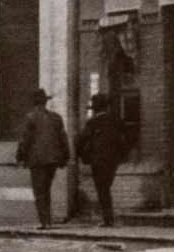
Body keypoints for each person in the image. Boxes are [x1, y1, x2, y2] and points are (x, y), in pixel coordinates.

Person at [16, 89, 70, 229]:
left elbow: (25, 140)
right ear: (46, 102)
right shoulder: (56, 117)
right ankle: (48, 221)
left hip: (37, 160)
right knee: (46, 189)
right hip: (53, 160)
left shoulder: (31, 117)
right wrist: (65, 158)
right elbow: (63, 139)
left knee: (39, 192)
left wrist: (19, 157)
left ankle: (45, 223)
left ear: (34, 102)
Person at [76, 93, 125, 227]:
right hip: (113, 161)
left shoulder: (92, 122)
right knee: (106, 188)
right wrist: (120, 156)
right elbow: (124, 140)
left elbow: (81, 140)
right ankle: (108, 218)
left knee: (102, 189)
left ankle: (108, 219)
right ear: (107, 107)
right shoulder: (116, 121)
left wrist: (83, 157)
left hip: (97, 160)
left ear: (95, 109)